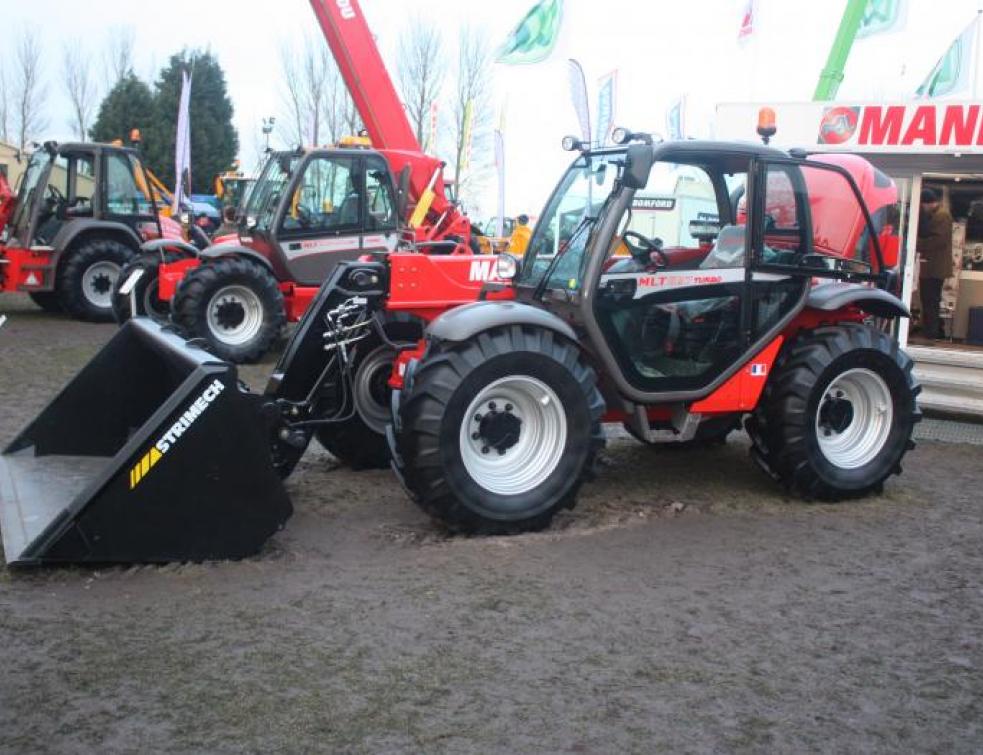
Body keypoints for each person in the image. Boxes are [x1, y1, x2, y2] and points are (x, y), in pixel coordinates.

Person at [917, 188, 954, 340]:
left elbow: (938, 241)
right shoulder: (940, 215)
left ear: (927, 203)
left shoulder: (941, 216)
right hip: (934, 267)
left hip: (934, 267)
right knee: (931, 299)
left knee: (930, 300)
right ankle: (934, 331)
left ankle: (931, 333)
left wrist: (916, 243)